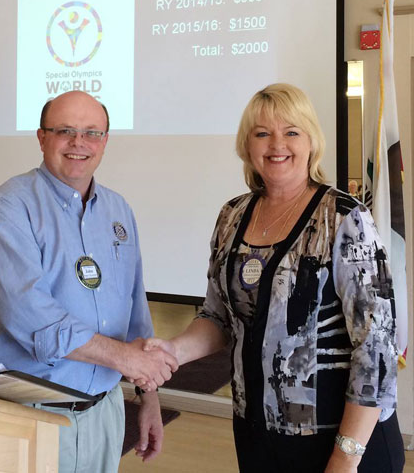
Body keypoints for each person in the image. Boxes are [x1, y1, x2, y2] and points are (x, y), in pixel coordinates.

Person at [141, 83, 404, 472]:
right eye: (262, 133)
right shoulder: (232, 216)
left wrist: (345, 457)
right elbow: (219, 318)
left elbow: (377, 348)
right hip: (257, 433)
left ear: (312, 141)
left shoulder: (345, 219)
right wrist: (171, 352)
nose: (276, 144)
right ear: (247, 146)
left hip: (344, 440)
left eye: (291, 132)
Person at [0, 90, 177, 472]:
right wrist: (125, 358)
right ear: (41, 137)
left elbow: (135, 309)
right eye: (65, 130)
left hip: (105, 412)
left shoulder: (119, 210)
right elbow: (35, 320)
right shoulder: (7, 207)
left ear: (105, 141)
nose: (79, 143)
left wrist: (149, 396)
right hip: (28, 414)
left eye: (92, 133)